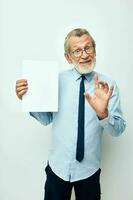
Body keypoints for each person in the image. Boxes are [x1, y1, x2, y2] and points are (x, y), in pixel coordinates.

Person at [16, 28, 126, 200]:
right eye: (77, 50)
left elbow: (118, 130)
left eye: (88, 48)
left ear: (95, 50)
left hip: (89, 172)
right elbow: (46, 119)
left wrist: (103, 114)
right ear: (68, 57)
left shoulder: (108, 85)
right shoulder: (56, 81)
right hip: (57, 169)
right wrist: (28, 99)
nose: (84, 55)